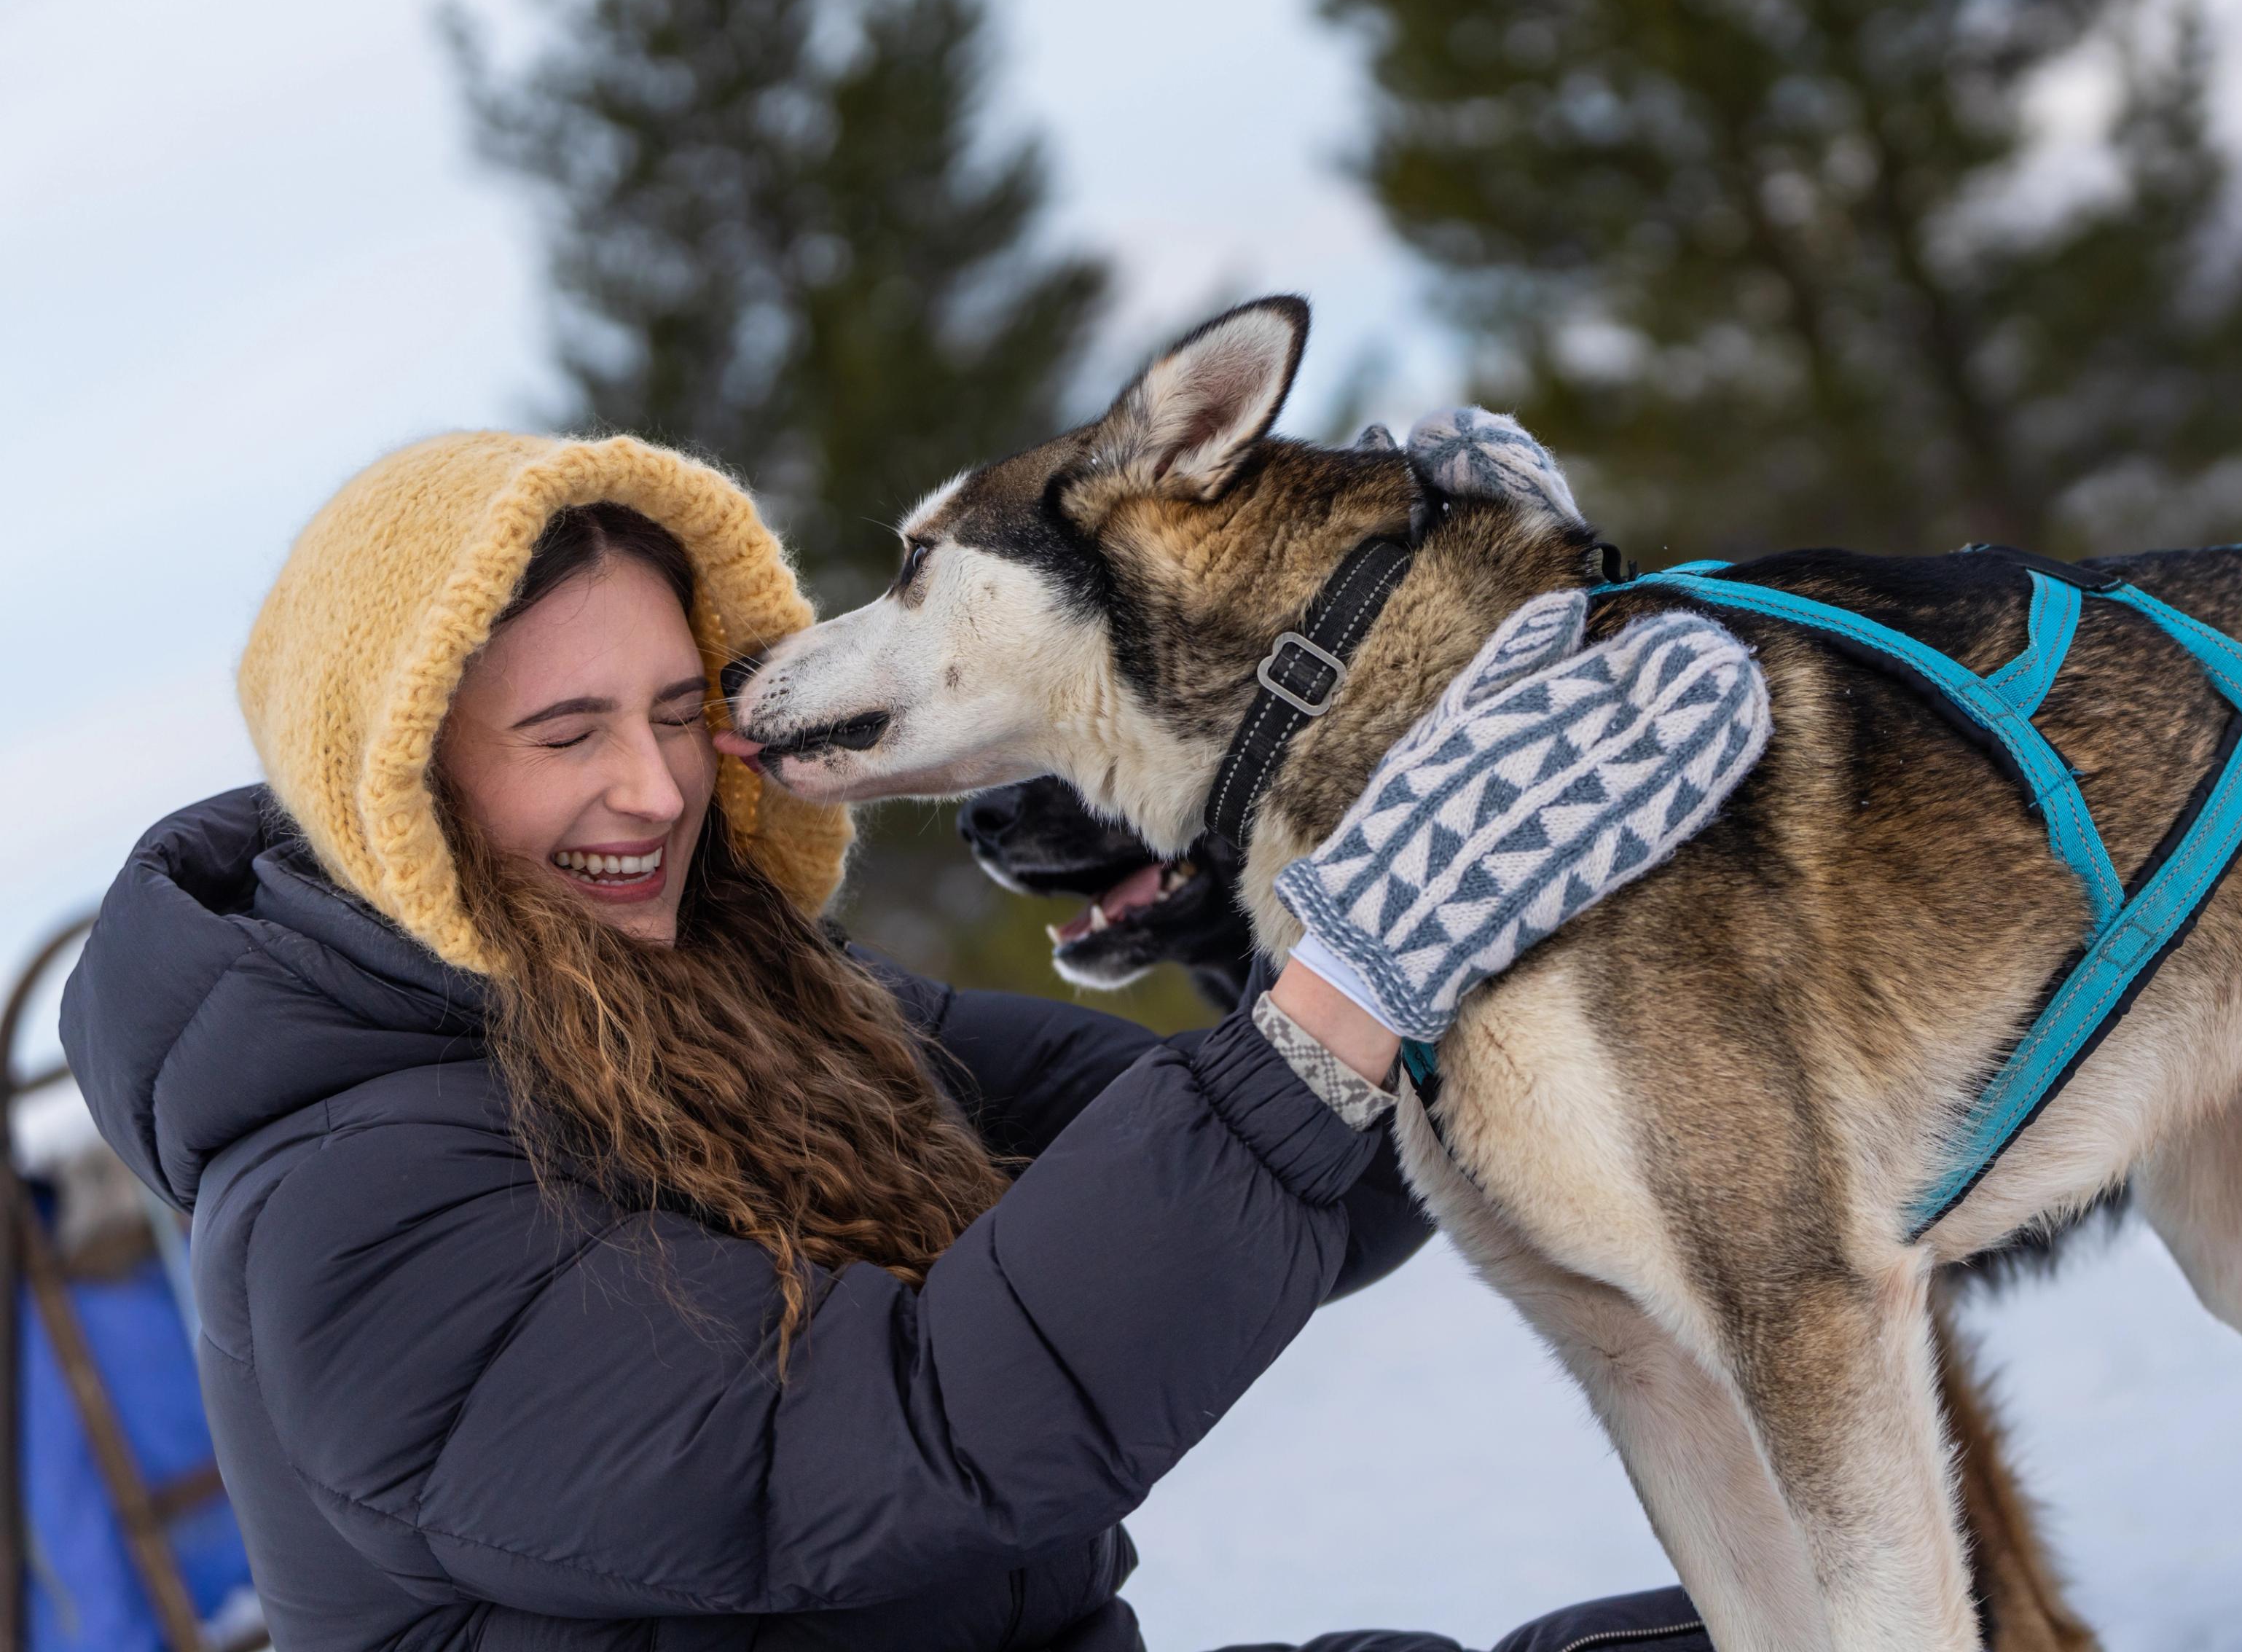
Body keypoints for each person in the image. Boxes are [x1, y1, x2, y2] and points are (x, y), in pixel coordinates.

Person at [58, 431, 1757, 1652]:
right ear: (402, 779)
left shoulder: (753, 1003)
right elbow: (900, 1436)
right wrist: (1341, 994)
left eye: (672, 713)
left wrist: (1282, 877)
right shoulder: (352, 1199)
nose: (651, 792)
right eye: (565, 732)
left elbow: (1289, 1193)